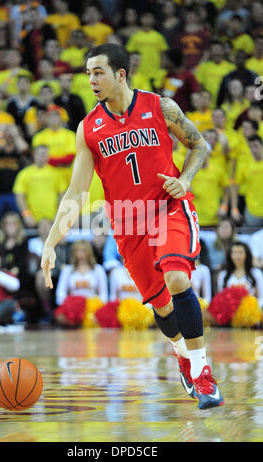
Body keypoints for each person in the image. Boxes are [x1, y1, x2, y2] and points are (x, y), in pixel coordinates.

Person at [41, 43, 224, 410]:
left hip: (170, 207)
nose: (91, 79)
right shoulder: (88, 128)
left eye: (98, 72)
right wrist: (50, 243)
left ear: (120, 74)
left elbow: (199, 145)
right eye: (88, 73)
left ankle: (203, 375)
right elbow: (76, 192)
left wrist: (185, 180)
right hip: (128, 224)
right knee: (161, 307)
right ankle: (183, 358)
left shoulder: (161, 107)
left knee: (177, 278)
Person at [55, 239, 108, 306]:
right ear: (74, 253)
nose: (81, 254)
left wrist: (98, 306)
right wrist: (67, 305)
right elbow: (60, 293)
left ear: (89, 252)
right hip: (73, 307)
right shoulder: (67, 270)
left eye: (84, 251)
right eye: (78, 251)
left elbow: (104, 294)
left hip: (93, 307)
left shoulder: (98, 270)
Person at [217, 241, 263, 307]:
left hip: (251, 312)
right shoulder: (223, 275)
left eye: (241, 252)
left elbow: (261, 298)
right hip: (229, 313)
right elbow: (220, 298)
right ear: (230, 255)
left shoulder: (256, 273)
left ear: (247, 254)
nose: (237, 256)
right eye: (234, 252)